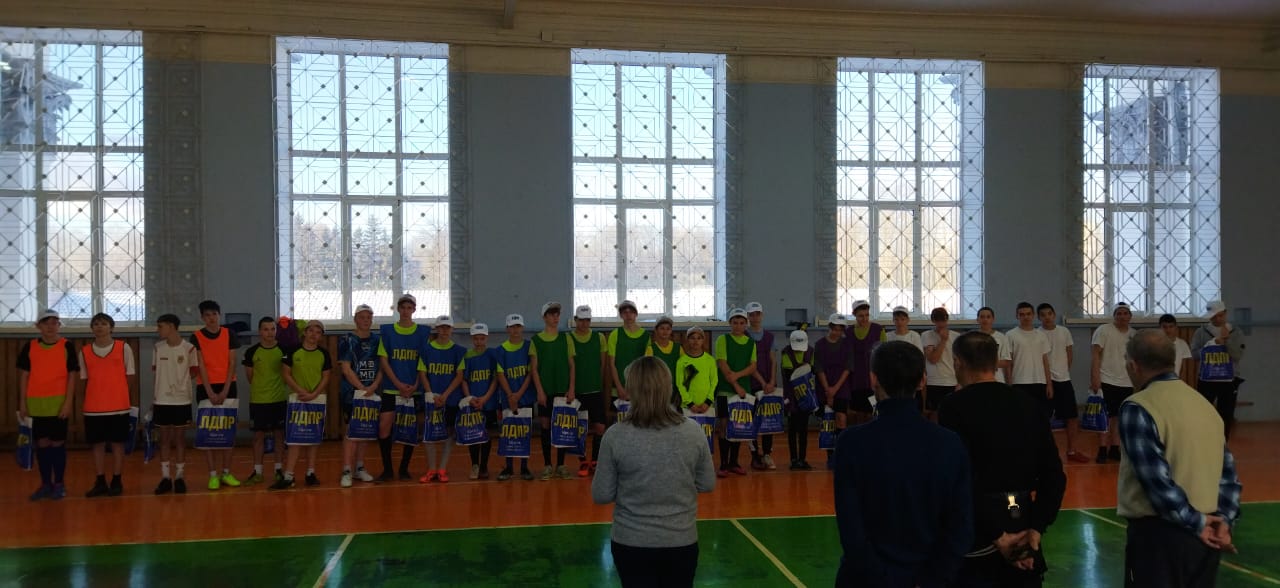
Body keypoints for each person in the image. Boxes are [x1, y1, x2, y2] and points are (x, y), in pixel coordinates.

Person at [834, 341, 972, 586]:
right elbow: (960, 528)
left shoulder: (851, 443)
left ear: (873, 379)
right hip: (929, 578)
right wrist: (932, 579)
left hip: (866, 580)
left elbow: (852, 532)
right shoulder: (949, 443)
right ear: (922, 381)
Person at [939, 332, 1066, 587]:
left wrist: (998, 535)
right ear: (996, 362)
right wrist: (1037, 527)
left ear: (957, 363)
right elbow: (1054, 474)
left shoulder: (953, 407)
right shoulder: (1028, 403)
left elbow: (957, 479)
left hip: (977, 533)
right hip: (1023, 528)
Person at [1117, 329, 1242, 586]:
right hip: (1206, 541)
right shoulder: (1205, 406)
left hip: (1158, 538)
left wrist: (1197, 523)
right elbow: (1228, 476)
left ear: (1133, 366)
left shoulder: (1138, 407)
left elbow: (1156, 482)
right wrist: (1223, 523)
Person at [592, 356, 715, 588]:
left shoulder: (615, 435)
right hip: (681, 540)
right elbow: (707, 483)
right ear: (668, 387)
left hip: (631, 542)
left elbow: (601, 494)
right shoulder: (694, 431)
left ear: (631, 390)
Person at [79, 313, 138, 498]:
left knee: (117, 444)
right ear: (92, 328)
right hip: (93, 408)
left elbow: (130, 376)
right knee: (97, 445)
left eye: (103, 323)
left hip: (118, 406)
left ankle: (117, 480)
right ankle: (100, 481)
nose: (99, 327)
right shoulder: (85, 351)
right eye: (96, 324)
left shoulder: (123, 347)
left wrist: (119, 393)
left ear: (111, 328)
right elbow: (83, 379)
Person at [271, 321, 332, 489]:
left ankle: (310, 473)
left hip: (316, 400)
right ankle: (289, 475)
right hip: (297, 399)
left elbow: (326, 376)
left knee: (313, 438)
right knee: (294, 438)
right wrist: (300, 390)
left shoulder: (323, 354)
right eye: (311, 330)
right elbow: (286, 373)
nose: (314, 334)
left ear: (321, 337)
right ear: (304, 332)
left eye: (318, 332)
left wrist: (314, 393)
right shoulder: (292, 351)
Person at [376, 293, 430, 482]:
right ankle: (387, 469)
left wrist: (415, 384)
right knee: (384, 428)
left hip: (413, 388)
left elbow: (423, 361)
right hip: (392, 388)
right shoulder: (388, 331)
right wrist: (398, 384)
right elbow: (384, 361)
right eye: (403, 307)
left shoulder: (422, 333)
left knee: (410, 429)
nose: (406, 311)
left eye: (409, 308)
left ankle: (404, 468)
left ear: (414, 309)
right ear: (398, 309)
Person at [191, 300, 241, 491]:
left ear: (219, 315)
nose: (211, 318)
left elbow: (232, 363)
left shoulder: (229, 334)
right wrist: (210, 391)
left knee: (228, 431)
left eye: (214, 314)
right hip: (205, 387)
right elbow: (200, 364)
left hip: (228, 385)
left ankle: (226, 472)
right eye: (207, 315)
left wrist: (226, 389)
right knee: (208, 431)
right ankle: (212, 474)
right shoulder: (196, 336)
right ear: (202, 318)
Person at [151, 313, 201, 495]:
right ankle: (165, 478)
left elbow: (194, 372)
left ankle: (179, 477)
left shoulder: (189, 348)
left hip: (181, 400)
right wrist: (154, 398)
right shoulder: (158, 348)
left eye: (160, 326)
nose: (158, 330)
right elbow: (156, 374)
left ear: (171, 326)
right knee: (164, 440)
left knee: (180, 439)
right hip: (161, 400)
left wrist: (179, 384)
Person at [418, 315, 467, 483]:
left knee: (449, 433)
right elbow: (422, 374)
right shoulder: (426, 350)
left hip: (450, 399)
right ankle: (431, 469)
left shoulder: (459, 351)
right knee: (429, 434)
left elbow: (459, 376)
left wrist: (445, 395)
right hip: (431, 399)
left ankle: (442, 469)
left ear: (452, 329)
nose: (445, 331)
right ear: (437, 329)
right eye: (442, 327)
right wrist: (431, 394)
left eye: (448, 328)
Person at [1037, 303, 1089, 463]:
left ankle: (1072, 451)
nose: (1047, 317)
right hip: (1044, 381)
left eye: (1049, 313)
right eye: (1043, 315)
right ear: (1039, 317)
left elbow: (1069, 354)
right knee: (1043, 418)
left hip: (1064, 380)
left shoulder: (1064, 331)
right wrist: (1048, 379)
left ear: (1054, 315)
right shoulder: (1037, 334)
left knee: (1072, 417)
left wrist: (1063, 371)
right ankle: (1044, 454)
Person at [531, 302, 576, 480]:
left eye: (557, 314)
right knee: (545, 426)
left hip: (562, 390)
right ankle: (547, 465)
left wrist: (571, 388)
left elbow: (572, 366)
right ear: (544, 317)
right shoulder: (536, 340)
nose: (555, 317)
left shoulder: (566, 338)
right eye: (551, 314)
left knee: (562, 426)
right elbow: (534, 369)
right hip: (546, 390)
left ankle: (561, 464)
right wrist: (540, 391)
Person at [339, 304, 382, 487]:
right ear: (355, 319)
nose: (365, 320)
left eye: (368, 317)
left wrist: (374, 386)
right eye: (362, 317)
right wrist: (362, 388)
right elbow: (346, 368)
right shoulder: (347, 340)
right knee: (351, 432)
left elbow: (382, 367)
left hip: (372, 391)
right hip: (351, 393)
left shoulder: (377, 340)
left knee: (365, 430)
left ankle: (359, 467)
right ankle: (347, 470)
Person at [1190, 300, 1247, 440]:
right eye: (1213, 316)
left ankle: (1223, 443)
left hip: (1229, 380)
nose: (1217, 319)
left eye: (1220, 315)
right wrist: (1210, 346)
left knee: (1226, 414)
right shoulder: (1201, 332)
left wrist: (1226, 342)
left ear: (1225, 313)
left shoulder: (1236, 332)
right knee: (1203, 412)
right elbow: (1194, 355)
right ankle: (1203, 440)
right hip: (1207, 379)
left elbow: (1237, 355)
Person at [242, 316, 287, 484]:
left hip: (279, 399)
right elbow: (250, 377)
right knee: (258, 436)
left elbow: (287, 374)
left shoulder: (284, 350)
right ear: (260, 331)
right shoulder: (251, 352)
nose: (270, 333)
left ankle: (278, 470)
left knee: (279, 435)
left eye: (273, 329)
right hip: (259, 400)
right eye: (266, 329)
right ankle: (258, 471)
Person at [714, 308, 757, 476]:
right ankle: (724, 464)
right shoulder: (722, 339)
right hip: (726, 390)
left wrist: (737, 377)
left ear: (746, 324)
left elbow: (753, 366)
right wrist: (736, 385)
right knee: (724, 425)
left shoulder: (750, 343)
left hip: (743, 391)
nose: (738, 326)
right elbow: (722, 364)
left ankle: (734, 462)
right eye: (735, 323)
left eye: (741, 323)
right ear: (730, 323)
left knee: (739, 426)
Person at [1091, 302, 1135, 464]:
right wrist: (1095, 377)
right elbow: (1095, 355)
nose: (1122, 316)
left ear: (1130, 316)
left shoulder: (1134, 335)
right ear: (1114, 315)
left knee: (1118, 417)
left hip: (1127, 381)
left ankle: (1115, 448)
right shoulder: (1103, 330)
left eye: (1125, 313)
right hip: (1106, 379)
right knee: (1105, 416)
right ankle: (1102, 448)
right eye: (1119, 313)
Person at [460, 323, 504, 479]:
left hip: (488, 402)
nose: (479, 341)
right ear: (472, 339)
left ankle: (484, 466)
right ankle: (475, 465)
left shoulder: (492, 355)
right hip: (472, 403)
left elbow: (495, 380)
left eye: (482, 338)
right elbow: (464, 380)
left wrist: (485, 398)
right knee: (473, 435)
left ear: (486, 338)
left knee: (487, 435)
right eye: (476, 338)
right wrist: (470, 398)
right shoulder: (467, 356)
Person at [496, 313, 536, 481]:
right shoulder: (500, 350)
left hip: (525, 396)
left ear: (522, 328)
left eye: (518, 326)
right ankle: (509, 467)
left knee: (525, 432)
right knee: (509, 432)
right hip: (508, 398)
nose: (515, 330)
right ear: (507, 329)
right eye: (512, 327)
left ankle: (524, 467)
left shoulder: (529, 346)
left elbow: (530, 373)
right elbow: (501, 374)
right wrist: (510, 396)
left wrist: (518, 394)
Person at [571, 305, 608, 477]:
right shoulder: (569, 338)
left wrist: (598, 384)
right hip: (577, 391)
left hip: (595, 390)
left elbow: (602, 364)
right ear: (575, 320)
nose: (584, 323)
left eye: (587, 320)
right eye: (581, 320)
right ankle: (583, 461)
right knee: (580, 429)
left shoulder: (599, 338)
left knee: (600, 427)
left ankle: (595, 460)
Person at [744, 302, 778, 470]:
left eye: (757, 313)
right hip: (751, 384)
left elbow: (773, 360)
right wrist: (763, 383)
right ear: (748, 317)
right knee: (752, 421)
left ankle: (767, 454)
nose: (755, 317)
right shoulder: (744, 336)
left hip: (768, 385)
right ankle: (754, 455)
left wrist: (771, 381)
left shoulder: (769, 336)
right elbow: (748, 363)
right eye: (752, 314)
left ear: (762, 315)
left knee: (768, 419)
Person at [815, 312, 850, 468]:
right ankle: (830, 456)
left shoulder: (847, 345)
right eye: (835, 329)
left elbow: (848, 367)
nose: (837, 332)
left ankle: (840, 455)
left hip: (841, 387)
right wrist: (827, 389)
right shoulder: (820, 345)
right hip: (824, 386)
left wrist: (835, 389)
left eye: (840, 329)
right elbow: (819, 368)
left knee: (841, 419)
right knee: (828, 422)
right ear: (830, 327)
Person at [1007, 302, 1052, 422]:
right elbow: (1008, 362)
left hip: (1040, 382)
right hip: (1019, 382)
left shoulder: (1041, 335)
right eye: (1022, 314)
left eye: (1028, 314)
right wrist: (1009, 384)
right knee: (1021, 418)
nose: (1025, 317)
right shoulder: (1010, 335)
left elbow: (1045, 361)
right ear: (1017, 316)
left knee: (1040, 417)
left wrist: (1049, 384)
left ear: (1033, 315)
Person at [845, 300, 885, 425]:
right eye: (861, 316)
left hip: (872, 379)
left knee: (872, 412)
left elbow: (883, 356)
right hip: (855, 379)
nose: (865, 318)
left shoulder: (878, 330)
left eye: (867, 315)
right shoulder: (848, 332)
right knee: (856, 413)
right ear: (854, 315)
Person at [780, 329, 814, 470]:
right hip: (791, 397)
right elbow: (790, 375)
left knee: (804, 429)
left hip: (806, 395)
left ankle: (802, 458)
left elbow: (811, 371)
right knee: (792, 428)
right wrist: (804, 368)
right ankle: (793, 459)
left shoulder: (811, 351)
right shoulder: (786, 352)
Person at [608, 300, 650, 403]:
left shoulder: (646, 336)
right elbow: (612, 364)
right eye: (625, 312)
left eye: (631, 312)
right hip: (619, 388)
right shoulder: (615, 334)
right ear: (621, 315)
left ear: (636, 314)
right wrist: (619, 387)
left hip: (640, 388)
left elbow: (647, 366)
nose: (628, 315)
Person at [921, 307, 959, 421]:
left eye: (943, 320)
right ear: (933, 321)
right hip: (933, 381)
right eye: (937, 320)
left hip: (951, 381)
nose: (940, 324)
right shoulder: (926, 335)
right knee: (933, 415)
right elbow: (933, 359)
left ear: (947, 319)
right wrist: (943, 340)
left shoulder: (956, 337)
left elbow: (958, 362)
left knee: (950, 415)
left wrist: (959, 382)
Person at [676, 326, 718, 419]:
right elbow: (679, 384)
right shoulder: (682, 361)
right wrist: (690, 403)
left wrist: (708, 401)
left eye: (699, 338)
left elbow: (714, 381)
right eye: (692, 338)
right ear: (687, 340)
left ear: (703, 340)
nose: (696, 341)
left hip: (707, 406)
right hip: (688, 407)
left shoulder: (710, 360)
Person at [645, 315, 682, 406]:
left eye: (668, 329)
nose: (665, 331)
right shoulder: (651, 349)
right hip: (657, 391)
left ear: (671, 331)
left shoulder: (678, 348)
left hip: (675, 390)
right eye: (662, 328)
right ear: (656, 330)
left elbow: (683, 370)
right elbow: (648, 373)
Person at [975, 306, 1012, 383]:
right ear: (977, 320)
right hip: (976, 379)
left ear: (993, 319)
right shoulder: (972, 337)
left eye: (988, 317)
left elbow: (1007, 361)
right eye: (982, 317)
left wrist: (989, 364)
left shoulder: (1001, 337)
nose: (985, 319)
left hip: (997, 379)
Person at [1159, 314, 1193, 378]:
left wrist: (1180, 380)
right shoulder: (1154, 344)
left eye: (1171, 326)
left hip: (1175, 378)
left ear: (1175, 327)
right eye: (1164, 327)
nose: (1168, 330)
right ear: (1160, 327)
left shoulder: (1182, 344)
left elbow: (1184, 367)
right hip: (1158, 379)